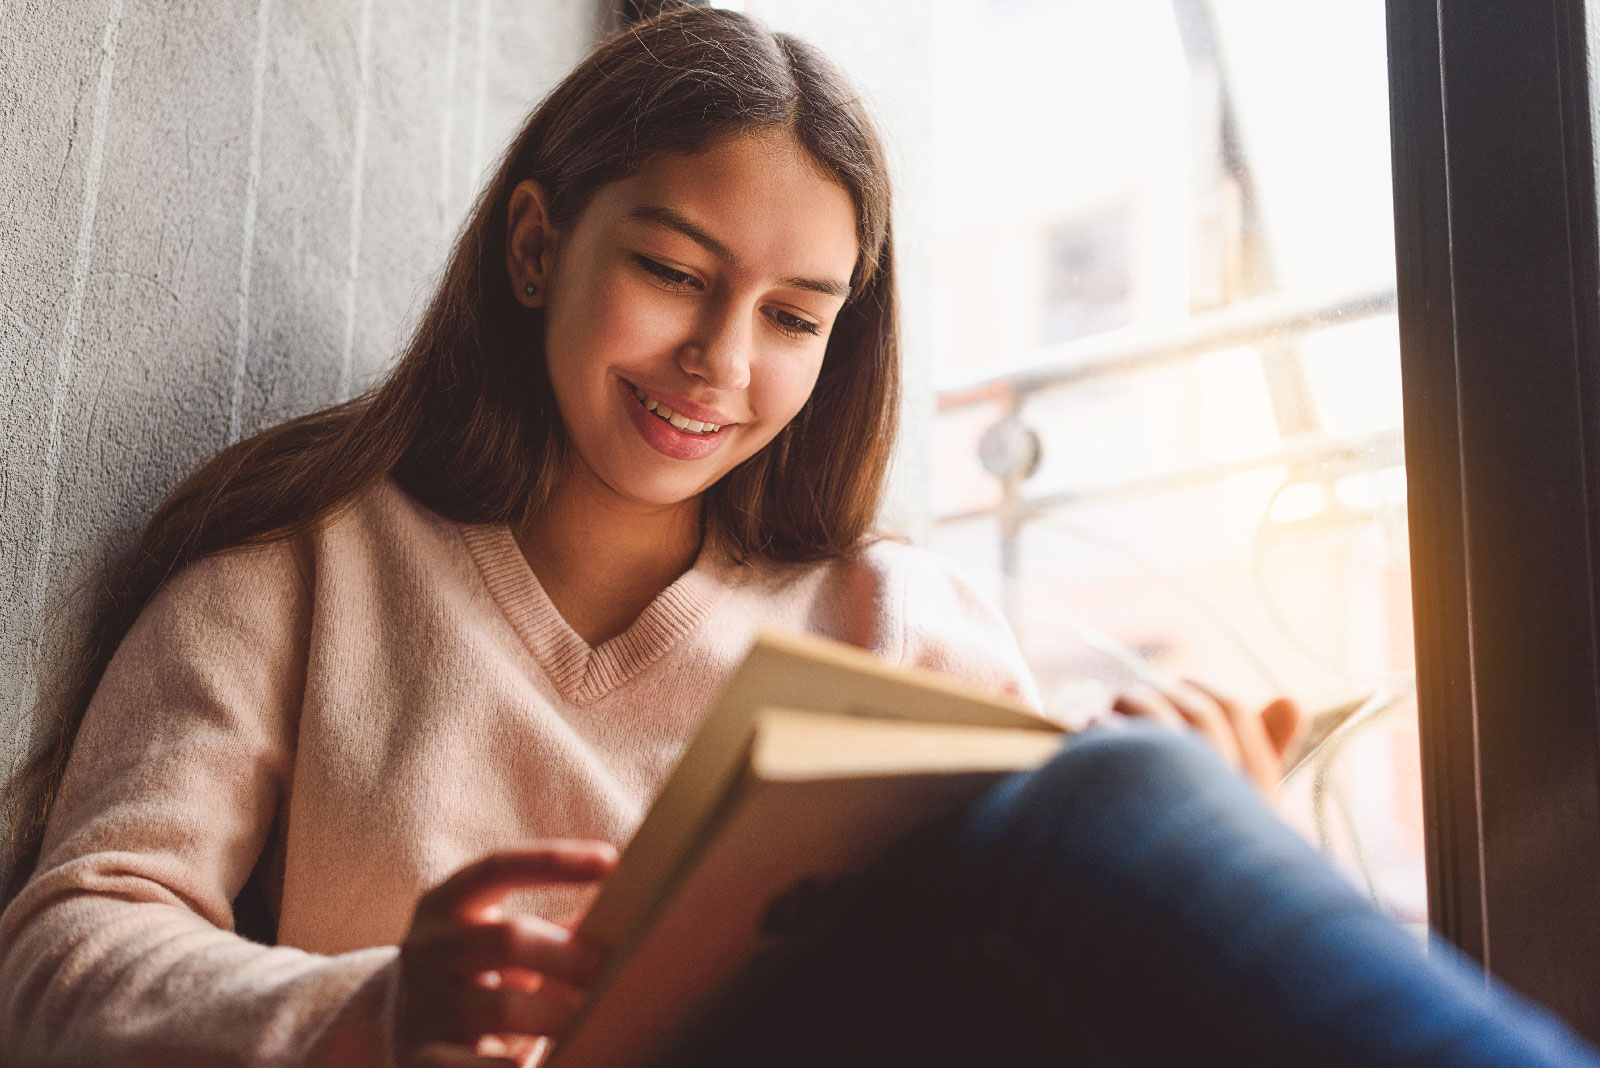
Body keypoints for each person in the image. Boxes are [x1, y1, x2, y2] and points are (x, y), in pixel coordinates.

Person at [0, 7, 1593, 1067]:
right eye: (678, 273)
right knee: (1112, 795)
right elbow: (65, 958)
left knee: (1123, 791)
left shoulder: (894, 613)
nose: (722, 362)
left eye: (793, 316)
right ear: (539, 243)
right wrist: (375, 1011)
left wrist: (1238, 826)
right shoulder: (300, 570)